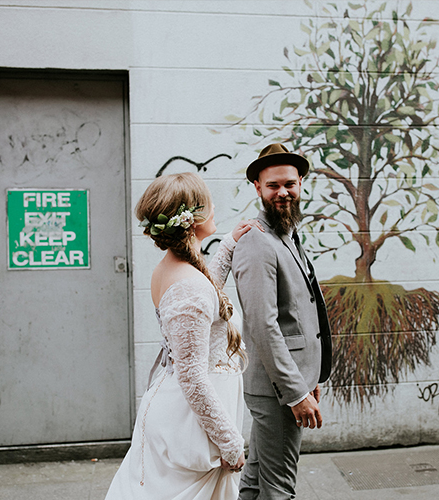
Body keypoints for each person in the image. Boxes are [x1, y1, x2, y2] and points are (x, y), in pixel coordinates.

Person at [105, 172, 261, 500]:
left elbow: (205, 292)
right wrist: (231, 442)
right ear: (190, 219)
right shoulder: (188, 287)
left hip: (187, 418)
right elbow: (192, 378)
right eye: (208, 202)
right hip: (189, 426)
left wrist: (228, 246)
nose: (215, 206)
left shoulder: (179, 271)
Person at [232, 143, 332, 499]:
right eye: (273, 185)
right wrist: (295, 392)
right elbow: (264, 326)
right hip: (276, 391)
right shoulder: (257, 242)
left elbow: (297, 318)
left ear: (301, 182)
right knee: (279, 490)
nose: (283, 192)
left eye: (289, 183)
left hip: (281, 384)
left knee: (256, 483)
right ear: (258, 188)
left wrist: (310, 376)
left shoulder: (286, 234)